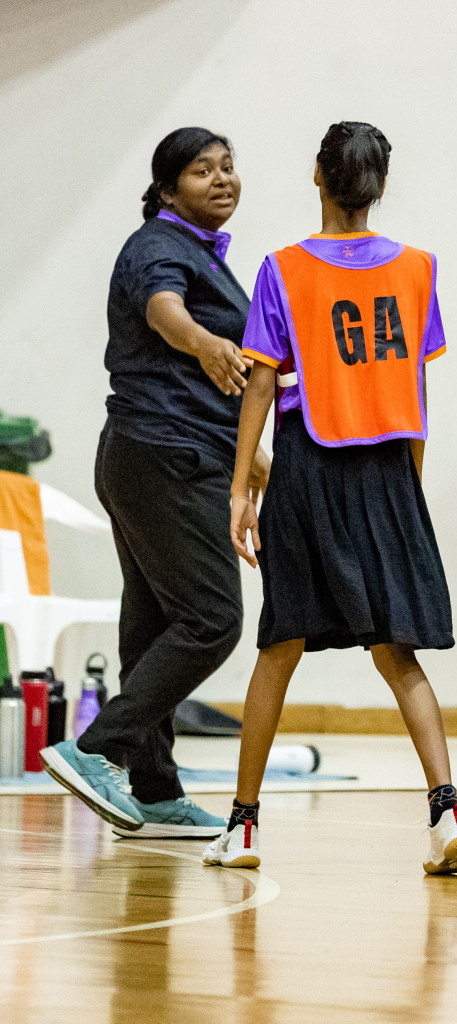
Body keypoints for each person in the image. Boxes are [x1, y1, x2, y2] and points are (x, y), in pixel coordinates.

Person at [202, 122, 457, 875]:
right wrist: (409, 488)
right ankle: (446, 808)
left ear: (316, 174)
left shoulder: (282, 269)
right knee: (399, 650)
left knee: (279, 644)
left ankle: (244, 826)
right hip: (389, 467)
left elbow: (261, 380)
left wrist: (239, 489)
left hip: (308, 468)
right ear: (382, 183)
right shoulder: (419, 267)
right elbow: (416, 389)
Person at [43, 127, 262, 839]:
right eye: (203, 171)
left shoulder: (200, 252)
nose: (222, 180)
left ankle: (157, 790)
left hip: (153, 454)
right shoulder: (160, 248)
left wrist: (249, 453)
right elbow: (164, 312)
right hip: (165, 455)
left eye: (228, 168)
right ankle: (97, 748)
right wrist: (204, 341)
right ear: (168, 190)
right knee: (212, 619)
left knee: (154, 626)